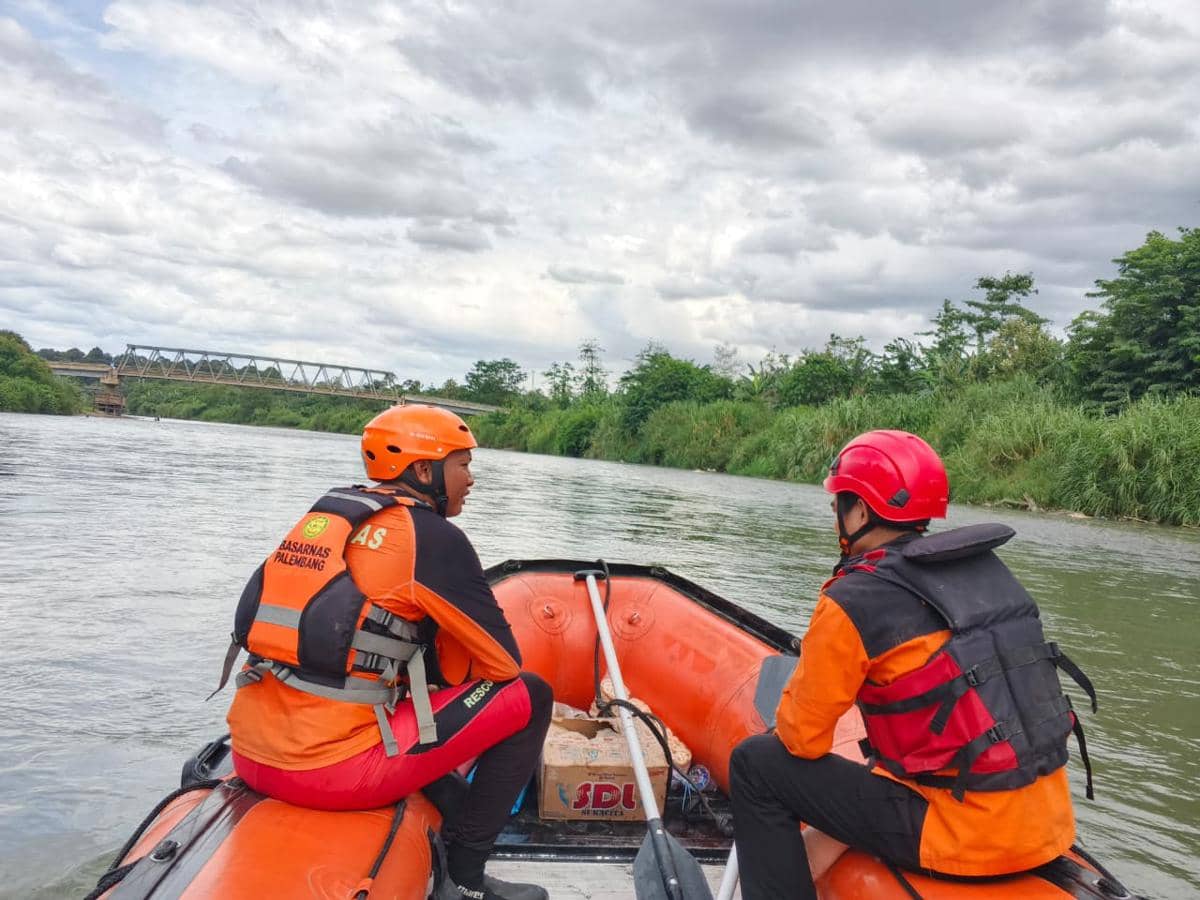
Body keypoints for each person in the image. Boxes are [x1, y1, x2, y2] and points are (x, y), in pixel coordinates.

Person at [730, 429, 1095, 899]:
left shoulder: (853, 598)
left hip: (963, 835)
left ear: (858, 510)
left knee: (756, 764)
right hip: (1049, 826)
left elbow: (801, 740)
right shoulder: (989, 575)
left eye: (838, 503)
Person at [218, 404, 552, 900]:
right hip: (329, 772)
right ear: (424, 469)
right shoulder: (433, 537)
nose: (471, 478)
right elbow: (501, 667)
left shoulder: (326, 517)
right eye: (462, 464)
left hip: (249, 754)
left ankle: (451, 817)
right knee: (531, 696)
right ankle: (466, 875)